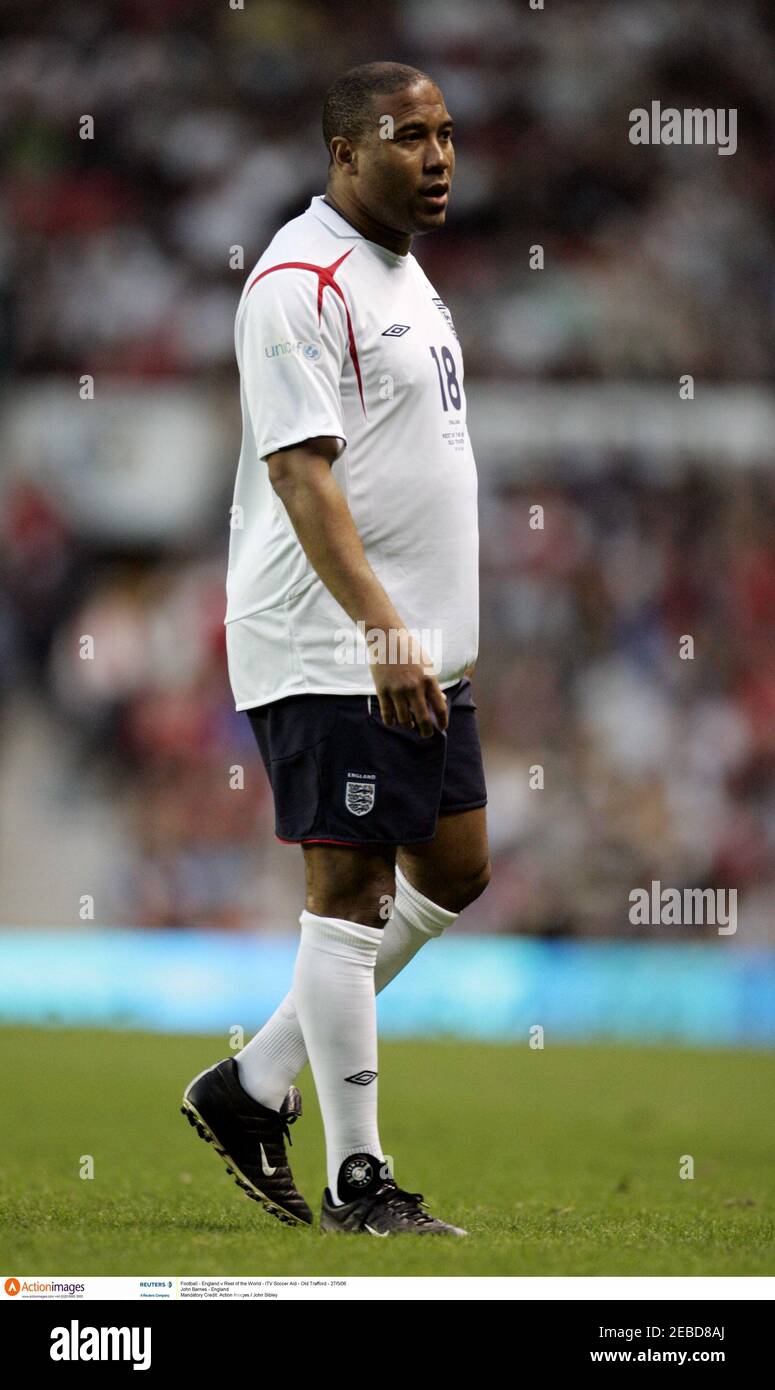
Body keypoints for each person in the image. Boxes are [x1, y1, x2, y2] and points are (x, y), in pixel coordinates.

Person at [182, 60, 490, 1237]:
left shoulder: (403, 276)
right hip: (332, 641)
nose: (439, 156)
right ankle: (364, 1182)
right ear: (343, 151)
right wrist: (382, 629)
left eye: (447, 134)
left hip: (420, 649)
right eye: (409, 135)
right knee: (350, 891)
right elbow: (300, 476)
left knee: (454, 865)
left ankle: (251, 1083)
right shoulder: (296, 280)